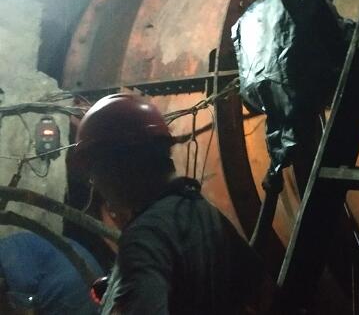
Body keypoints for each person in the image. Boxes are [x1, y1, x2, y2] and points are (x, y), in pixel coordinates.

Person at [74, 93, 268, 315]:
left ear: (119, 165)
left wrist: (133, 278)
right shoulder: (201, 211)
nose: (94, 182)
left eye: (95, 170)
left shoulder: (144, 237)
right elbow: (253, 281)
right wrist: (124, 285)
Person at [0, 231, 103, 315]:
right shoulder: (14, 244)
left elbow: (25, 306)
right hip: (92, 281)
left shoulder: (8, 258)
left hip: (71, 287)